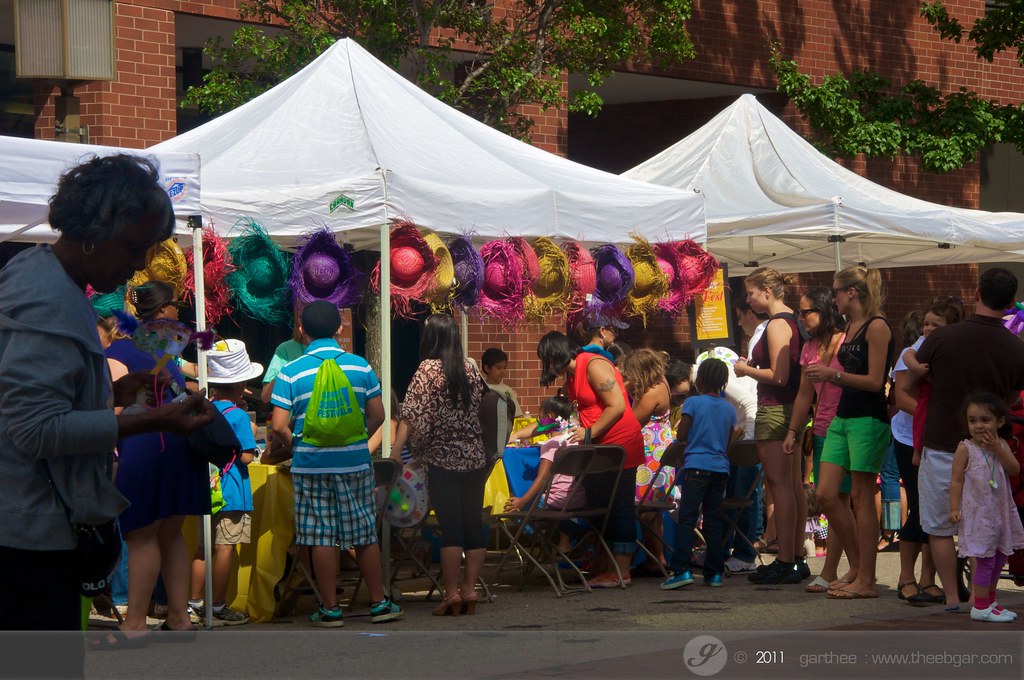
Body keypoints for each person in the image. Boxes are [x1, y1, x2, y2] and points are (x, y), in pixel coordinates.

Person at [0, 154, 211, 669]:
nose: (137, 265)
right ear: (93, 232)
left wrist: (112, 394)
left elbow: (42, 398)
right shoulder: (46, 296)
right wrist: (151, 419)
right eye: (132, 247)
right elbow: (33, 428)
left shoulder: (46, 277)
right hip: (26, 538)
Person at [268, 301, 402, 627]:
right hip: (354, 462)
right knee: (363, 533)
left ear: (302, 330)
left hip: (310, 465)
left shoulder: (290, 371)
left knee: (321, 536)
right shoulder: (360, 367)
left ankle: (330, 608)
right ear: (339, 330)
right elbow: (379, 416)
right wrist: (355, 440)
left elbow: (278, 425)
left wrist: (298, 446)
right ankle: (378, 603)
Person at [106, 280, 215, 637]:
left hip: (146, 446)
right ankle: (180, 618)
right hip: (180, 444)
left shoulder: (120, 354)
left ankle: (135, 623)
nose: (178, 312)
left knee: (141, 536)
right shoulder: (168, 351)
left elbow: (112, 411)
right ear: (163, 309)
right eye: (175, 306)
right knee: (170, 534)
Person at [915, 267, 1024, 612]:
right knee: (984, 533)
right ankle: (982, 600)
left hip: (942, 442)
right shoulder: (1016, 348)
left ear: (976, 294)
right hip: (990, 448)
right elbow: (1010, 399)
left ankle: (951, 597)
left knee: (938, 525)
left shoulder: (943, 338)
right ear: (1010, 303)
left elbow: (911, 379)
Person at [391, 314, 488, 616]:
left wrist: (397, 451)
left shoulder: (427, 370)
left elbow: (412, 416)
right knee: (473, 524)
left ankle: (451, 593)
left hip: (442, 459)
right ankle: (470, 589)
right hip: (474, 457)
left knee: (450, 529)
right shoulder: (470, 368)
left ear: (431, 338)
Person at [811, 266, 894, 600]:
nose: (833, 298)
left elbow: (876, 382)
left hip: (867, 419)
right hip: (843, 418)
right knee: (826, 494)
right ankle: (859, 567)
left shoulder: (877, 326)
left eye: (836, 292)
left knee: (860, 497)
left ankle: (867, 580)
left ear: (852, 293)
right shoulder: (850, 325)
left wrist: (833, 376)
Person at [537, 331, 644, 588]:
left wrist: (589, 432)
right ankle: (605, 568)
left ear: (556, 353)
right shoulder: (573, 376)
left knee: (619, 507)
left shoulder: (593, 365)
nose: (548, 367)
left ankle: (622, 572)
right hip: (598, 449)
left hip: (619, 445)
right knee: (598, 506)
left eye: (547, 360)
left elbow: (617, 405)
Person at [734, 268, 808, 584]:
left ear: (766, 290)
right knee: (792, 485)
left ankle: (786, 558)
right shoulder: (795, 320)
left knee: (782, 486)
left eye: (750, 293)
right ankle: (796, 557)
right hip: (791, 409)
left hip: (775, 408)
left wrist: (744, 369)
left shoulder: (778, 323)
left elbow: (779, 376)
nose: (748, 300)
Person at [892, 299, 962, 605]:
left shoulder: (955, 348)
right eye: (927, 323)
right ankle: (906, 577)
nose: (929, 329)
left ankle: (927, 579)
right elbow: (901, 395)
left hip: (939, 438)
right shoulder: (918, 348)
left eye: (937, 325)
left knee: (938, 515)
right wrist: (934, 415)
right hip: (910, 437)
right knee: (921, 508)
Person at [188, 339, 262, 626]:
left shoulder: (201, 410)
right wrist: (253, 436)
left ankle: (194, 604)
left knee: (201, 547)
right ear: (240, 384)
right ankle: (218, 605)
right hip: (230, 490)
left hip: (204, 487)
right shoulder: (240, 417)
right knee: (225, 547)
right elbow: (245, 457)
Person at [783, 286, 850, 593]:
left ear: (823, 311)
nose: (800, 317)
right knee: (832, 501)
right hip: (822, 428)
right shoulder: (810, 347)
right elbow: (804, 394)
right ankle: (834, 570)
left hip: (850, 427)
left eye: (805, 311)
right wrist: (793, 431)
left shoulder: (847, 341)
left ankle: (850, 567)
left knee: (838, 500)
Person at [660, 358, 739, 589]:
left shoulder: (692, 403)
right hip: (720, 468)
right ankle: (714, 573)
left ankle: (681, 569)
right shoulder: (728, 408)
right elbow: (727, 440)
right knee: (713, 520)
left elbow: (682, 434)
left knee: (687, 518)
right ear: (723, 382)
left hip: (696, 466)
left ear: (699, 380)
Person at [949, 393, 1024, 622]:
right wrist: (954, 507)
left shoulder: (1000, 445)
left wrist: (999, 449)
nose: (979, 426)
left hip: (999, 512)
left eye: (985, 420)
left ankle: (990, 602)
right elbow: (956, 480)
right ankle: (980, 605)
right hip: (978, 514)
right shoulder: (966, 448)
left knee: (1001, 557)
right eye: (973, 421)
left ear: (1000, 422)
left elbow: (1015, 470)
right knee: (986, 560)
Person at [619, 348, 675, 575]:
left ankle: (655, 559)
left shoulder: (651, 393)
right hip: (659, 451)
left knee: (645, 510)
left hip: (651, 456)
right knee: (651, 511)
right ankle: (656, 558)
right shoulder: (661, 383)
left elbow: (631, 422)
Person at [260, 305, 307, 404]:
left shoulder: (331, 350)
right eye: (301, 317)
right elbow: (265, 397)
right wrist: (284, 372)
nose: (304, 321)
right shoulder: (285, 349)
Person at [507, 395, 572, 445]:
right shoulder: (571, 435)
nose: (538, 422)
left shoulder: (551, 445)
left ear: (549, 418)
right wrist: (515, 437)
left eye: (540, 419)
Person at [481, 347, 523, 416]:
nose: (503, 372)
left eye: (504, 368)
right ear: (487, 368)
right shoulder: (480, 389)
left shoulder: (508, 391)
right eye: (499, 368)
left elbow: (517, 415)